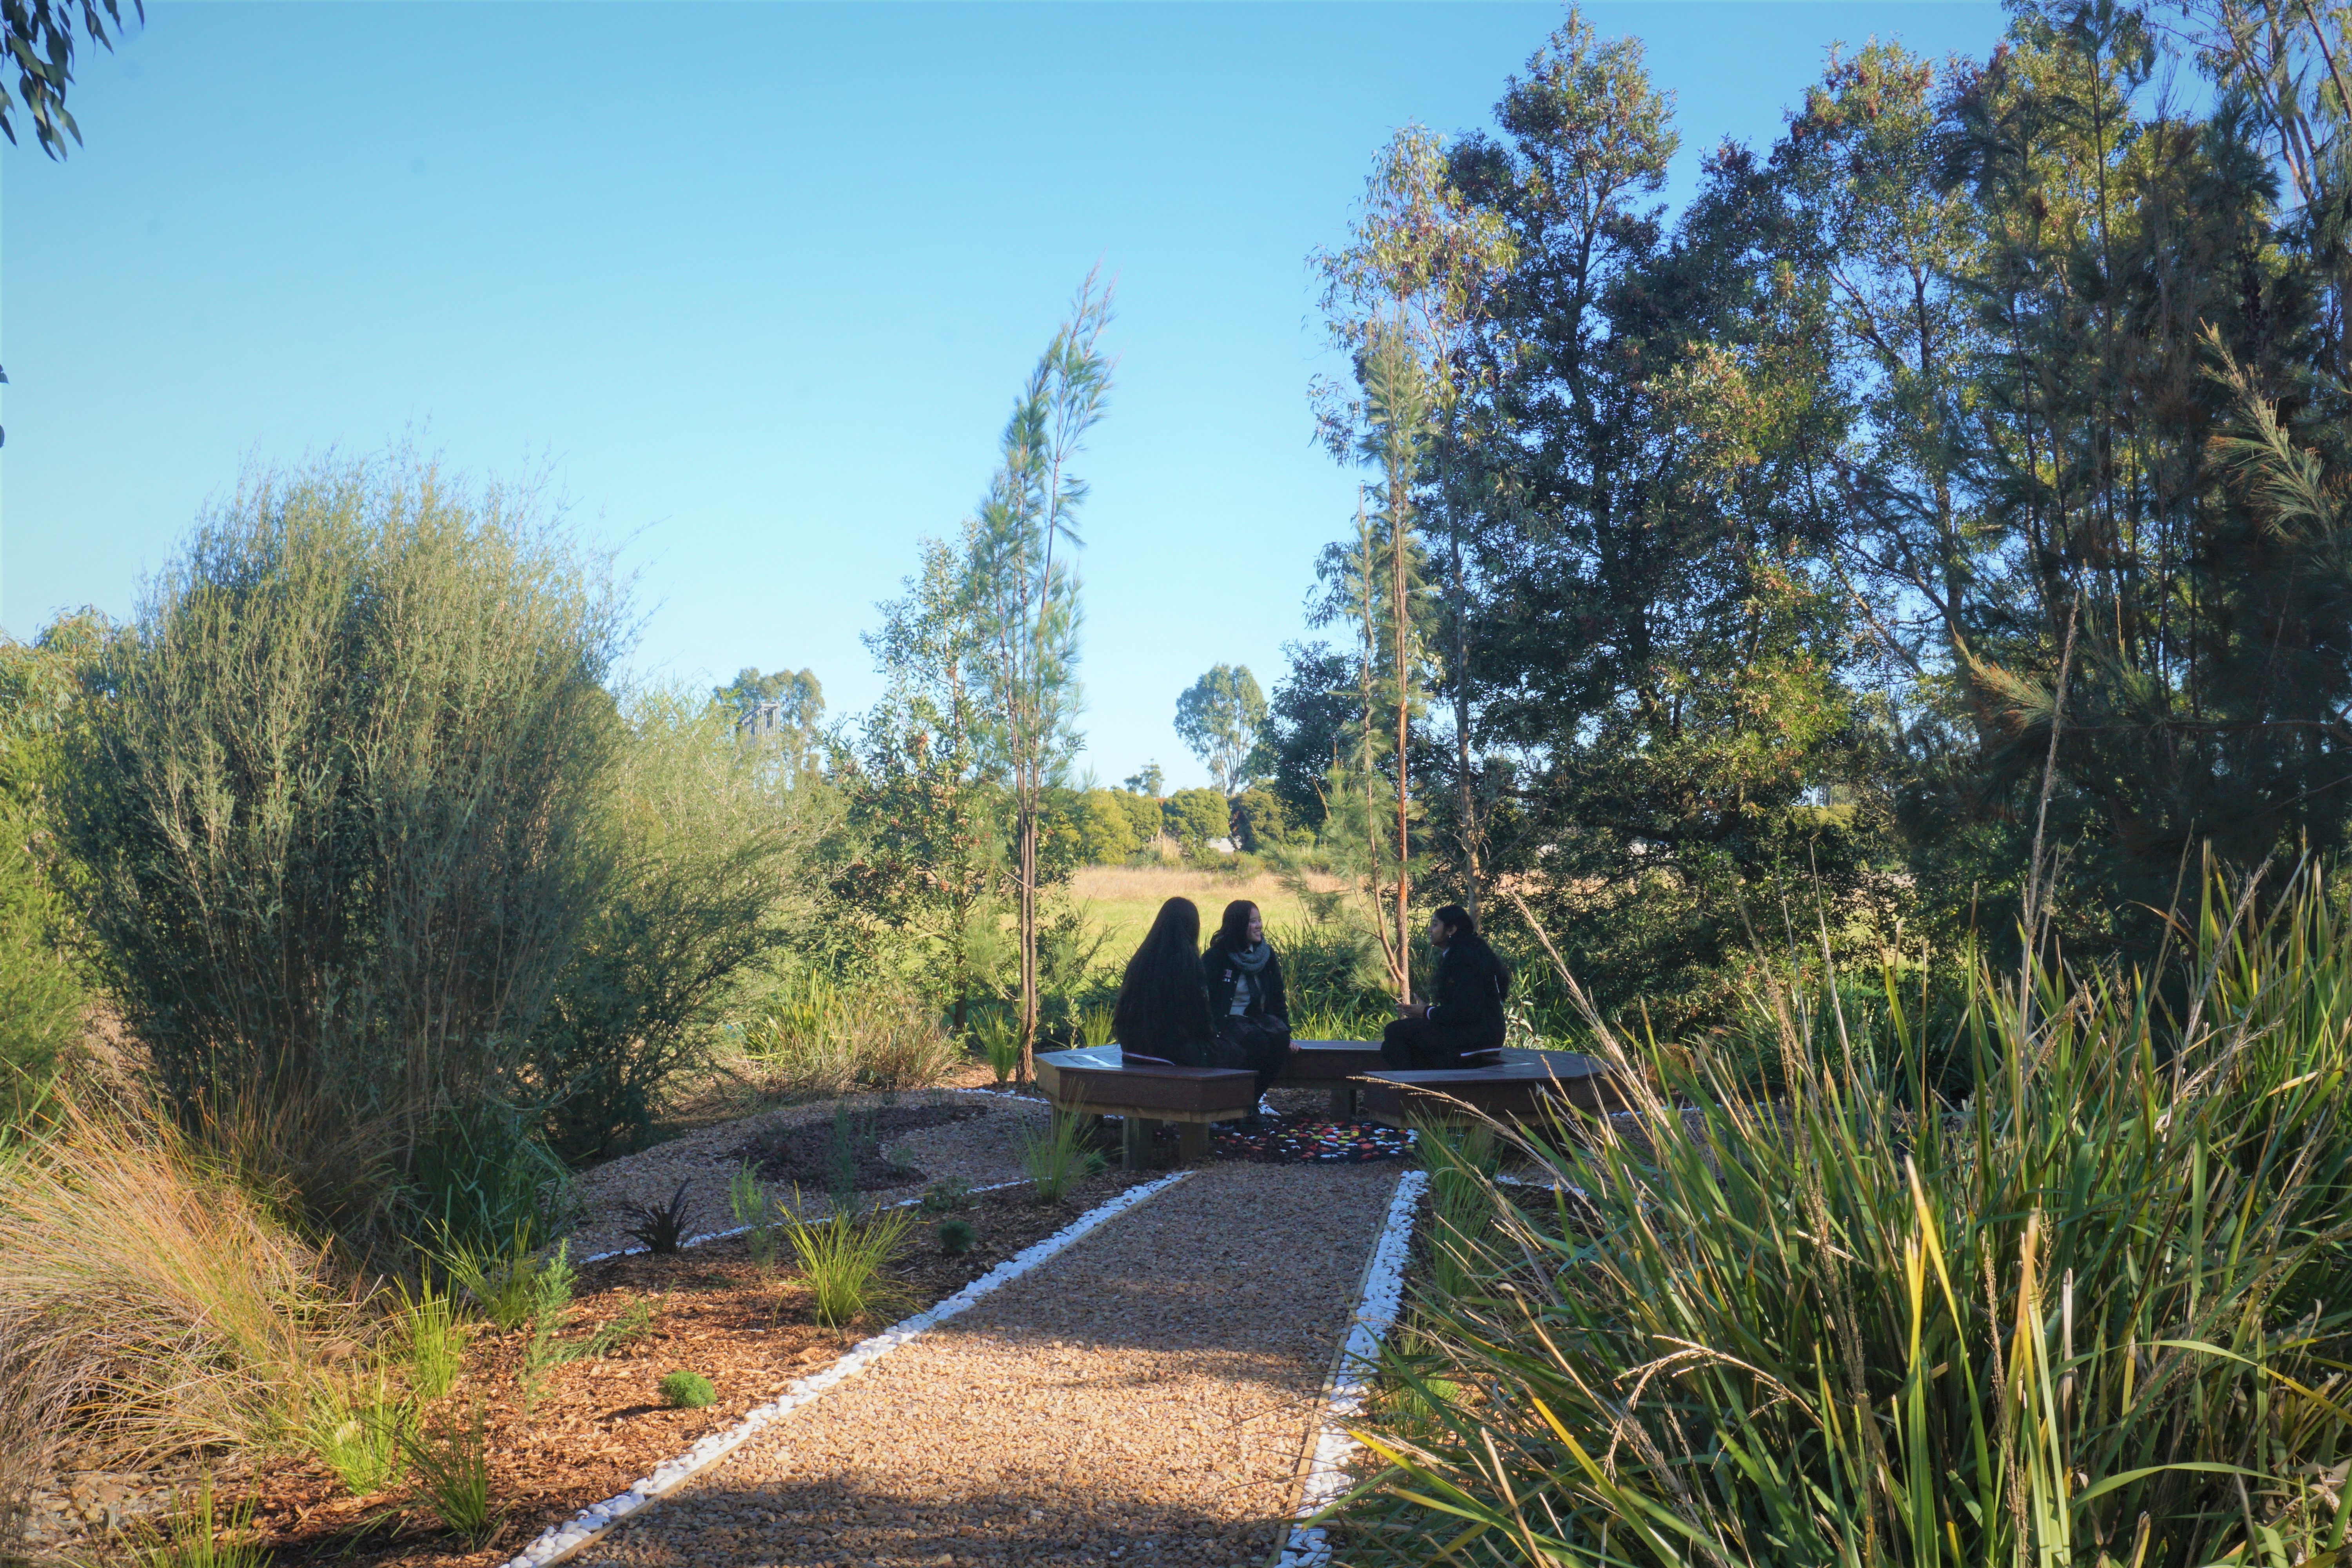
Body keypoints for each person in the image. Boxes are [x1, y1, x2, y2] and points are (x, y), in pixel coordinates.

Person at [1381, 904, 1511, 1069]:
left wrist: (1426, 1012)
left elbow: (1466, 1012)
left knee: (1395, 1031)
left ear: (1451, 930)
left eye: (1435, 925)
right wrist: (1426, 1013)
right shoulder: (1469, 951)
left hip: (1478, 1040)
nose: (1429, 930)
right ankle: (1416, 1087)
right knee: (1392, 1045)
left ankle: (1413, 1089)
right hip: (1480, 1035)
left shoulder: (1465, 960)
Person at [1202, 899, 1298, 1109]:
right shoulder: (1217, 957)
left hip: (1256, 1019)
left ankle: (1251, 1102)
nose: (1259, 926)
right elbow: (1202, 997)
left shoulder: (1266, 955)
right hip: (1227, 1021)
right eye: (1252, 921)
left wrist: (1288, 1033)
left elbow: (1278, 997)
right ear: (1238, 925)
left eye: (1260, 920)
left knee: (1279, 1039)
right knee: (1258, 1043)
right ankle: (1238, 1104)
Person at [1111, 896, 1216, 1067]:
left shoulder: (1141, 959)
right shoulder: (1187, 963)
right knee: (1235, 1053)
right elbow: (1198, 1018)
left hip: (1132, 1047)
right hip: (1170, 1051)